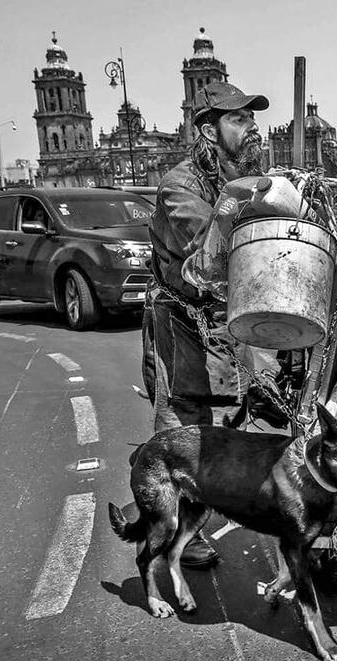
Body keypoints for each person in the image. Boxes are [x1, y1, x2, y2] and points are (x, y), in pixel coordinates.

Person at [140, 81, 269, 568]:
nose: (252, 127)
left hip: (224, 314)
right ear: (209, 131)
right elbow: (210, 253)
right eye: (239, 120)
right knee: (183, 419)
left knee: (242, 405)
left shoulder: (244, 175)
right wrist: (244, 203)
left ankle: (198, 508)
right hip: (182, 313)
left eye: (252, 119)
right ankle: (170, 532)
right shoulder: (181, 185)